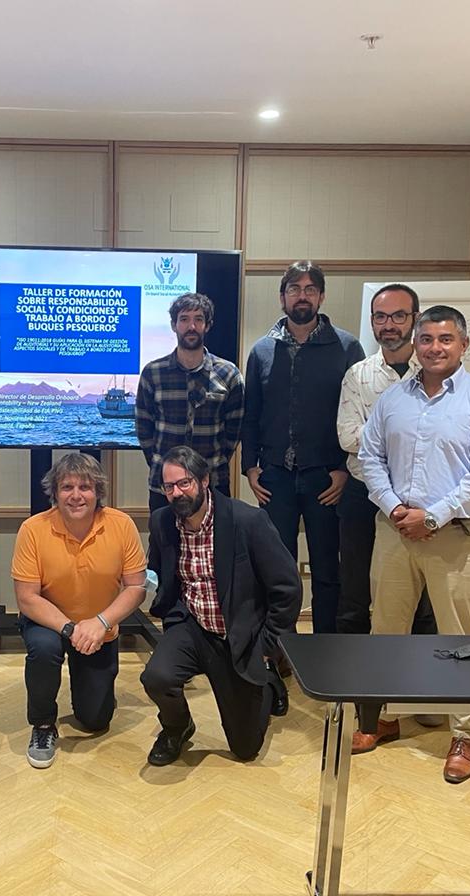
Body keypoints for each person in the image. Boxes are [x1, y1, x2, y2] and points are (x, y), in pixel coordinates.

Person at [357, 305, 470, 782]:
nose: (434, 348)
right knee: (386, 629)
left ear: (463, 345)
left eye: (445, 339)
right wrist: (393, 507)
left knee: (461, 640)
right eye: (426, 339)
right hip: (394, 532)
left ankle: (464, 734)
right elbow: (369, 455)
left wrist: (433, 515)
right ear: (415, 344)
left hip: (455, 537)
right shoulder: (393, 399)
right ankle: (383, 716)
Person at [140, 447, 301, 765]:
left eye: (184, 483)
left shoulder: (248, 520)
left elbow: (287, 588)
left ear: (204, 480)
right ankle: (176, 728)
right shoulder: (162, 522)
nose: (176, 493)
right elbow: (159, 574)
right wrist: (168, 617)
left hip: (240, 634)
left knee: (245, 748)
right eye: (169, 486)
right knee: (156, 677)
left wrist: (267, 646)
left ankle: (269, 680)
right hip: (193, 626)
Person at [241, 260, 364, 633]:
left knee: (328, 569)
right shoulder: (263, 350)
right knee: (278, 570)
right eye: (294, 289)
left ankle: (325, 648)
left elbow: (360, 413)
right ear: (282, 297)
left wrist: (344, 469)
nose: (302, 296)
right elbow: (251, 413)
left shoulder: (346, 347)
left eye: (310, 289)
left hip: (325, 478)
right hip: (275, 477)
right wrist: (250, 467)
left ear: (321, 297)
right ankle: (282, 647)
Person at [12, 453, 147, 769]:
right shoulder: (33, 529)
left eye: (84, 487)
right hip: (48, 623)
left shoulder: (121, 525)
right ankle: (43, 724)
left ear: (98, 491)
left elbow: (136, 588)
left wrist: (100, 623)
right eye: (67, 487)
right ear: (55, 492)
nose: (76, 495)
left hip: (100, 629)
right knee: (44, 649)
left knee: (95, 719)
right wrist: (71, 629)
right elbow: (27, 598)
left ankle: (95, 688)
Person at [336, 283, 436, 635]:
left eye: (398, 316)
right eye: (380, 317)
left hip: (418, 498)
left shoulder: (435, 373)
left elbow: (439, 437)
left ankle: (417, 668)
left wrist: (379, 433)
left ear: (415, 319)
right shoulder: (358, 374)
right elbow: (347, 436)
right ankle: (352, 667)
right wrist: (403, 432)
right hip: (362, 495)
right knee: (354, 593)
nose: (388, 325)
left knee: (422, 599)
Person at [136, 292, 244, 509]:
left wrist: (212, 463)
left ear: (208, 325)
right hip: (165, 487)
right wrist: (163, 464)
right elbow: (143, 428)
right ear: (174, 325)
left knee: (216, 534)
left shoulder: (229, 374)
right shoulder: (153, 373)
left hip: (213, 483)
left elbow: (234, 432)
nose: (191, 326)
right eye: (184, 319)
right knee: (164, 533)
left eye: (198, 319)